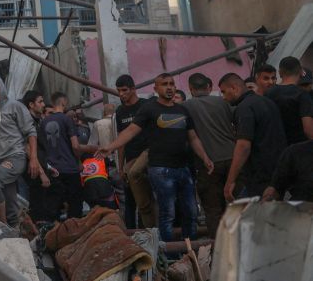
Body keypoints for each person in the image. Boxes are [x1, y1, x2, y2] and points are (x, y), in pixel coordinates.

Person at [98, 73, 214, 242]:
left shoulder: (182, 110)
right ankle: (168, 253)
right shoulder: (149, 109)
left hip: (183, 168)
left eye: (172, 84)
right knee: (167, 213)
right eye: (164, 84)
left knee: (191, 212)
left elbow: (193, 137)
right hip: (161, 169)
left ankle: (191, 249)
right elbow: (130, 131)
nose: (169, 87)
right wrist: (110, 147)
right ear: (156, 89)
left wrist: (205, 158)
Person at [182, 73, 237, 237]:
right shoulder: (224, 102)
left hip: (208, 164)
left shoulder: (185, 107)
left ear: (191, 89)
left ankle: (219, 248)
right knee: (235, 206)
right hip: (233, 158)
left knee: (213, 210)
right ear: (209, 87)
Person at [218, 73, 287, 200]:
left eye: (223, 92)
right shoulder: (267, 102)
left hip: (260, 176)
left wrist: (230, 181)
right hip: (277, 172)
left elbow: (243, 146)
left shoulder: (244, 108)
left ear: (234, 88)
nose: (223, 97)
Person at [0, 76, 40, 226]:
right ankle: (14, 234)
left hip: (15, 158)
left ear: (1, 90)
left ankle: (2, 225)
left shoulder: (15, 106)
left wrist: (33, 159)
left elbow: (31, 132)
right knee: (11, 207)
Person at [29, 105, 85, 222]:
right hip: (64, 170)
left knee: (54, 208)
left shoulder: (42, 126)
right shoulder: (65, 121)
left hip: (55, 171)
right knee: (71, 207)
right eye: (48, 113)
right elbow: (75, 146)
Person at [114, 75, 155, 230]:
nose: (121, 94)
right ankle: (134, 232)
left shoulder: (146, 106)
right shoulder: (120, 112)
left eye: (124, 90)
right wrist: (120, 167)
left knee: (148, 199)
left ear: (133, 89)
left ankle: (150, 230)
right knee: (132, 200)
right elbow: (121, 141)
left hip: (147, 158)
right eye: (119, 91)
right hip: (130, 161)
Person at [265, 56, 313, 144]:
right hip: (299, 148)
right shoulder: (302, 95)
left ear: (279, 72)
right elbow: (308, 130)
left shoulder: (268, 93)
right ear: (300, 72)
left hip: (277, 147)